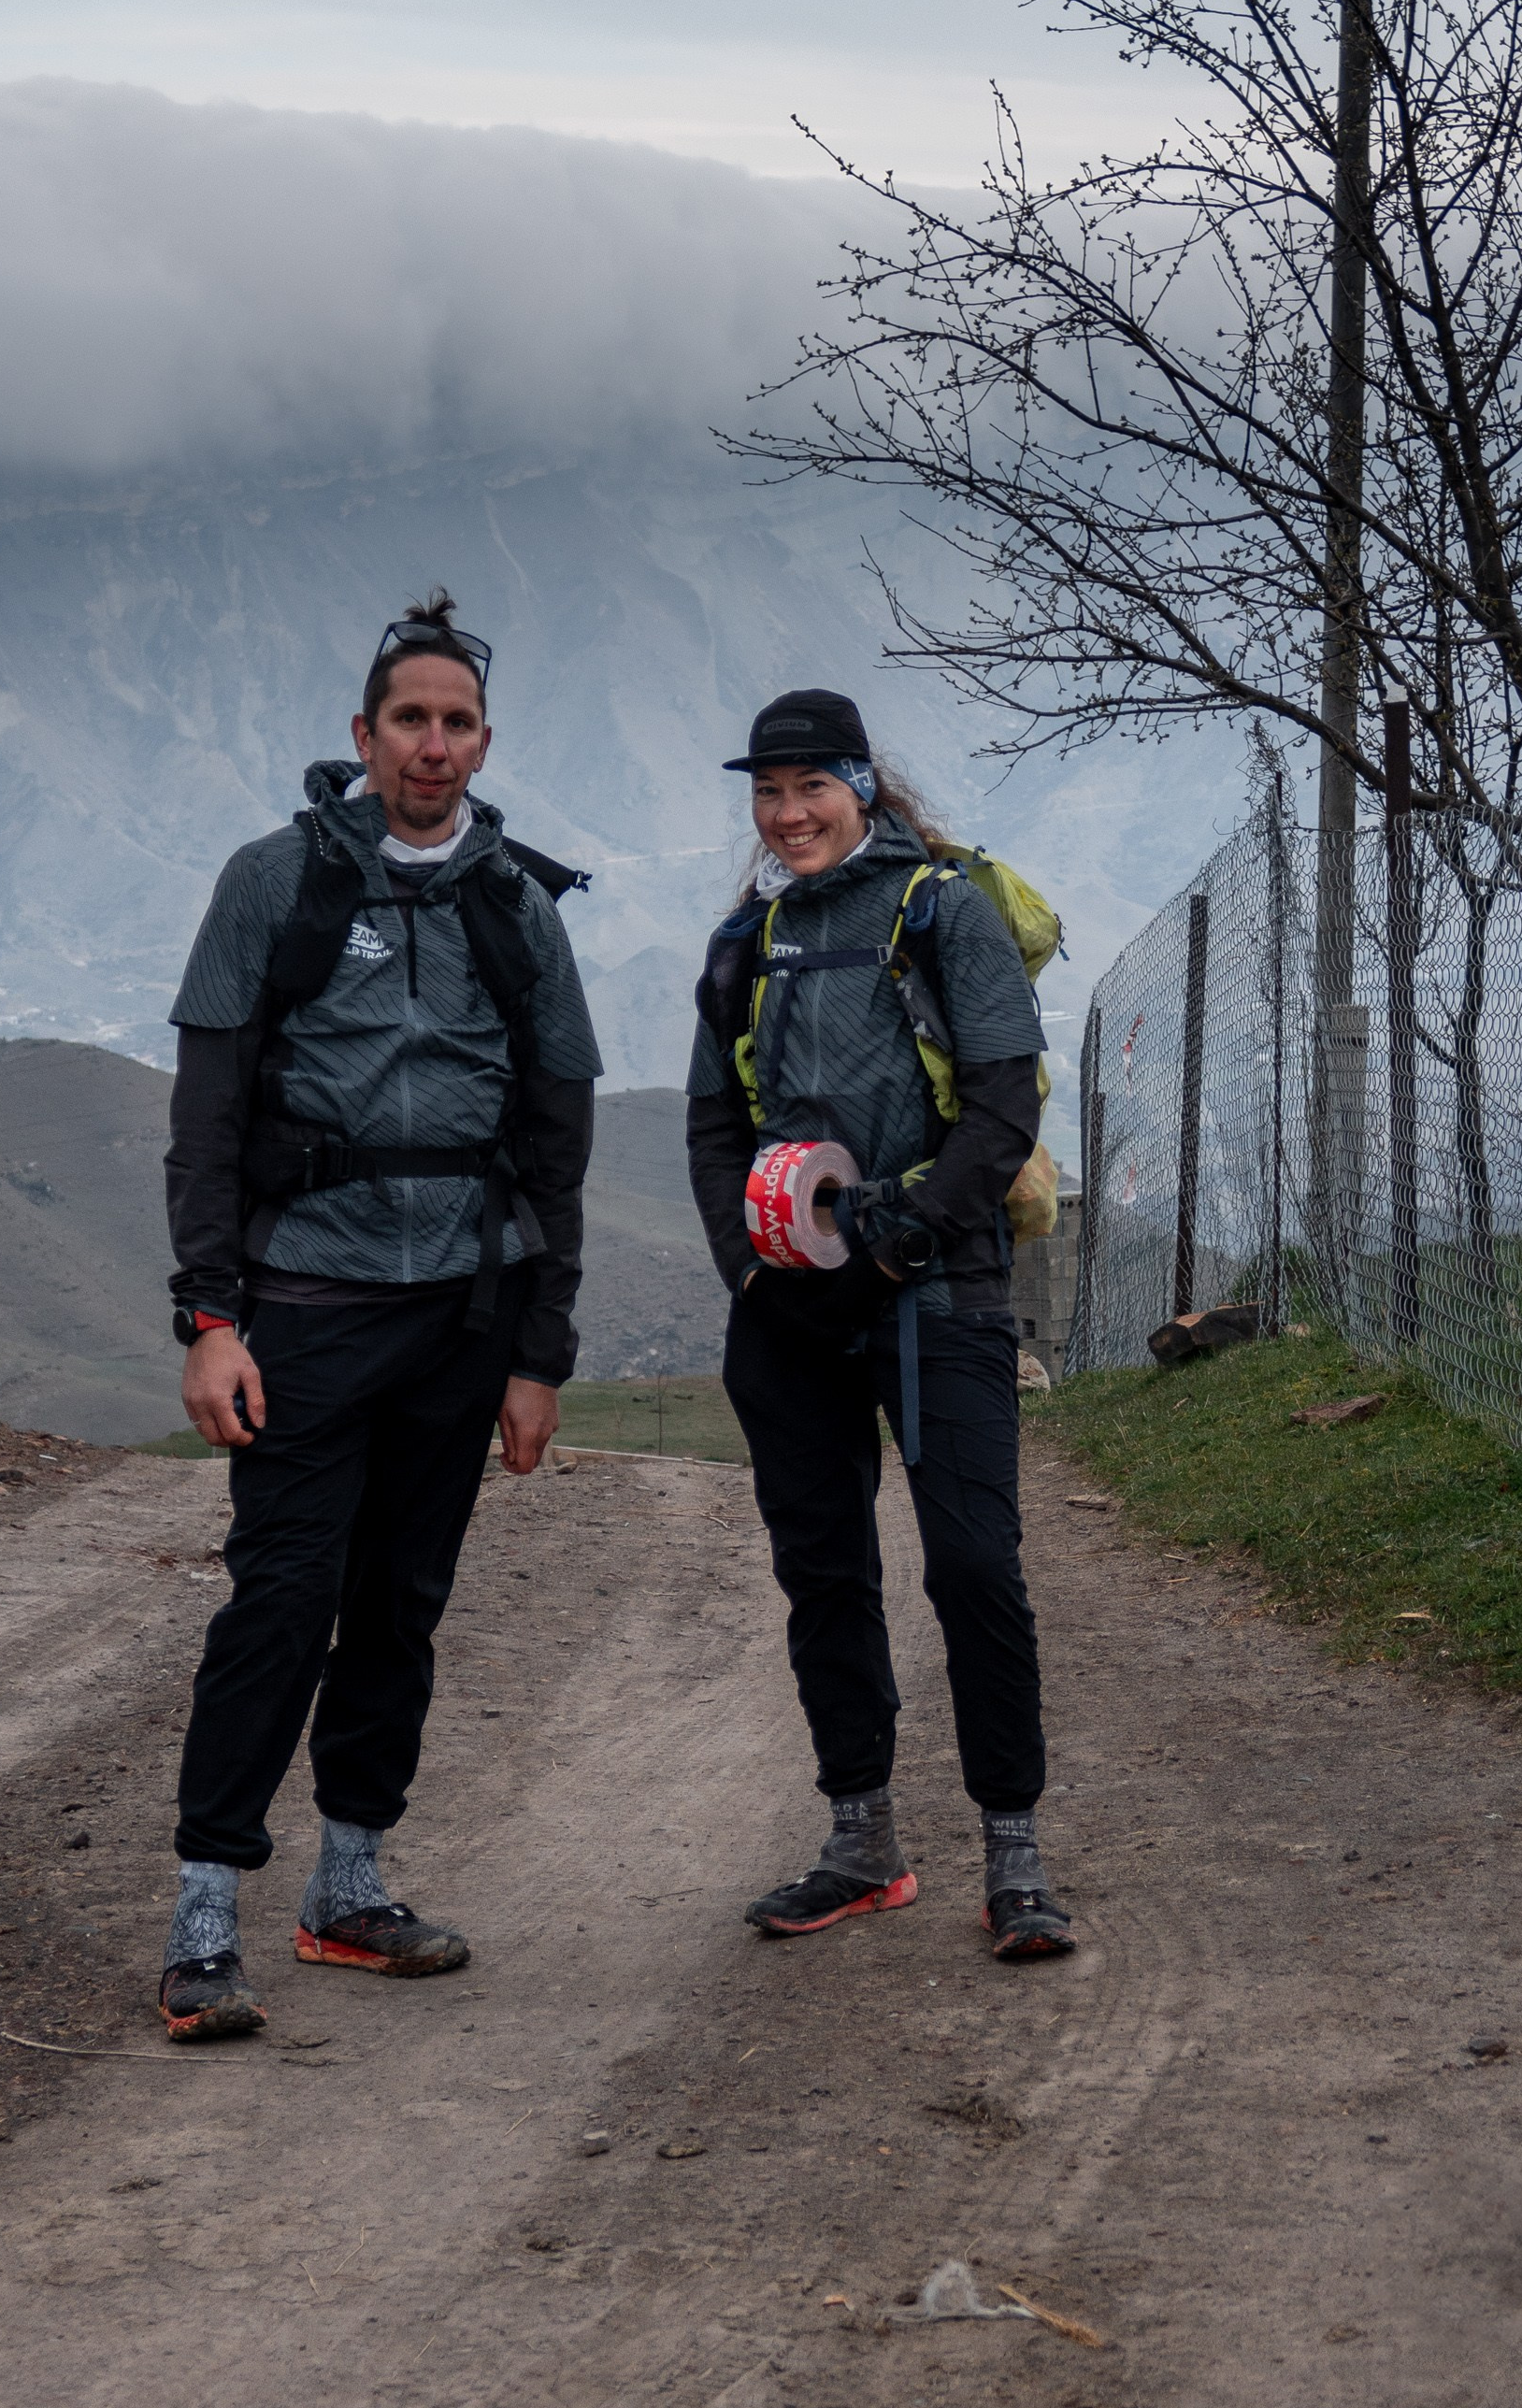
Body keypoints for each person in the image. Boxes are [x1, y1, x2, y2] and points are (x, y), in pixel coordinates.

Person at [154, 592, 601, 2039]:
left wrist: (541, 1351)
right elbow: (207, 1116)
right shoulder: (273, 880)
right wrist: (209, 1319)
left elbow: (556, 1135)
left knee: (402, 1605)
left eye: (456, 721)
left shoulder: (517, 905)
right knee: (281, 1602)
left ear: (483, 742)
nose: (432, 743)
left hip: (462, 1313)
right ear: (363, 735)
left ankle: (349, 1888)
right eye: (408, 718)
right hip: (306, 1309)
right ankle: (204, 1917)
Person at [685, 688, 1071, 1957]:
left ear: (864, 783)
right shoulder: (750, 935)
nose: (788, 814)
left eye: (811, 788)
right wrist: (751, 1267)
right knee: (824, 1572)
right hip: (789, 1302)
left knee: (972, 1567)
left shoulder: (941, 910)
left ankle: (1015, 1859)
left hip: (939, 1289)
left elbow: (1002, 1101)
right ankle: (862, 1843)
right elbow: (712, 1122)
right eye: (768, 793)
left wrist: (901, 1237)